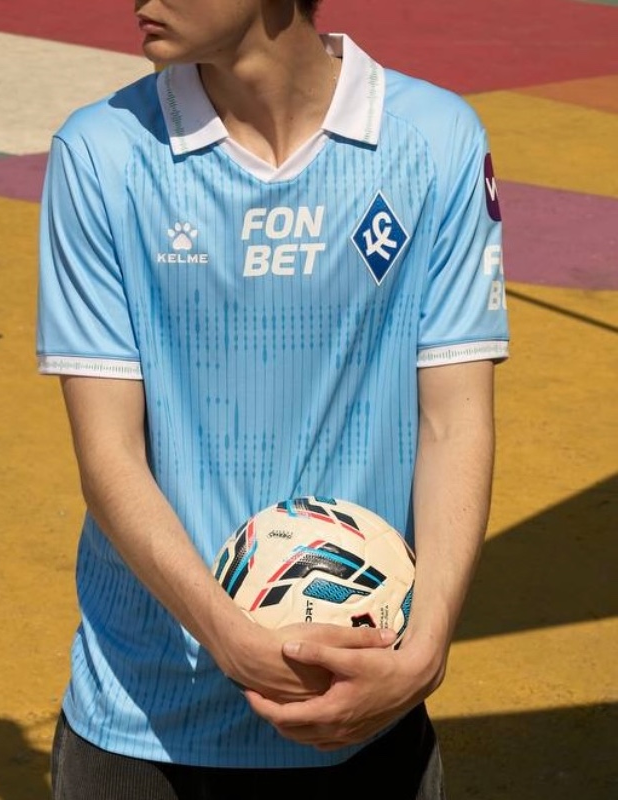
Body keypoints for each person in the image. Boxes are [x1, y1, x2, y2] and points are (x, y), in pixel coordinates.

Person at [36, 0, 509, 797]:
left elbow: (451, 420)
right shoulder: (102, 153)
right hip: (143, 717)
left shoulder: (434, 141)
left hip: (367, 708)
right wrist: (230, 639)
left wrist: (425, 651)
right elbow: (108, 453)